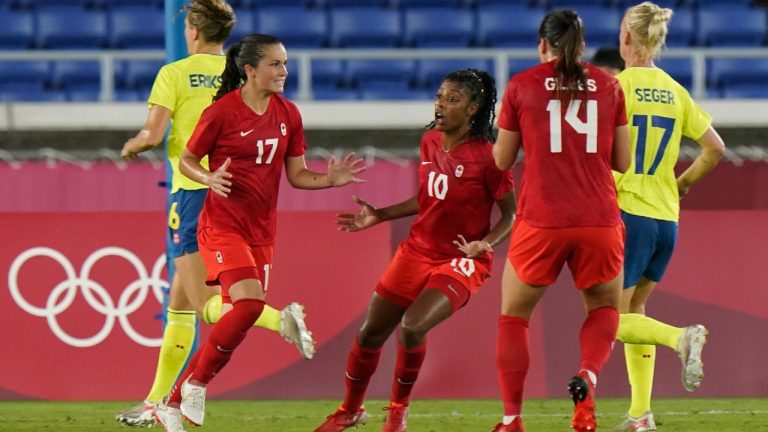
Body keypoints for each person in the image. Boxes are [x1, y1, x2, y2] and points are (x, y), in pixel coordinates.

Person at [151, 33, 366, 432]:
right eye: (275, 64)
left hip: (262, 231)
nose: (284, 71)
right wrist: (208, 177)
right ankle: (194, 384)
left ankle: (174, 399)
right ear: (249, 70)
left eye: (285, 63)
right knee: (248, 305)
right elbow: (187, 160)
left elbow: (298, 175)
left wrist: (330, 179)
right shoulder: (222, 112)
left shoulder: (289, 113)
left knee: (241, 315)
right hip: (221, 225)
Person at [115, 3, 315, 427]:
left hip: (195, 190)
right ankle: (156, 400)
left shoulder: (175, 72)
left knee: (207, 301)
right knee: (180, 303)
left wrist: (131, 146)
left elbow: (153, 136)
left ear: (191, 30)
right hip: (238, 192)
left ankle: (280, 320)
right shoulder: (238, 75)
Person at [314, 69, 516, 432]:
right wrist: (379, 215)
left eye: (452, 99)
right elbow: (427, 199)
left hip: (460, 258)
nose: (441, 105)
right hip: (416, 250)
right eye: (439, 97)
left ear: (473, 108)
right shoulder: (430, 142)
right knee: (369, 335)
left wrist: (485, 243)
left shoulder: (489, 157)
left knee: (411, 327)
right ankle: (349, 410)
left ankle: (397, 411)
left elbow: (511, 214)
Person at [492, 9, 631, 432]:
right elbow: (622, 161)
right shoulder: (610, 85)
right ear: (583, 46)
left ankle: (512, 420)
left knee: (514, 317)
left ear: (542, 45)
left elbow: (500, 161)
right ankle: (587, 378)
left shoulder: (521, 87)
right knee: (605, 308)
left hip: (542, 218)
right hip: (598, 217)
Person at [613, 3, 726, 431]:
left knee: (608, 319)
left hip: (628, 212)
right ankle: (640, 415)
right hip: (666, 218)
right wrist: (681, 184)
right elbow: (715, 147)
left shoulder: (616, 88)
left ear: (626, 37)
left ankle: (681, 337)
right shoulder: (675, 90)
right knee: (636, 310)